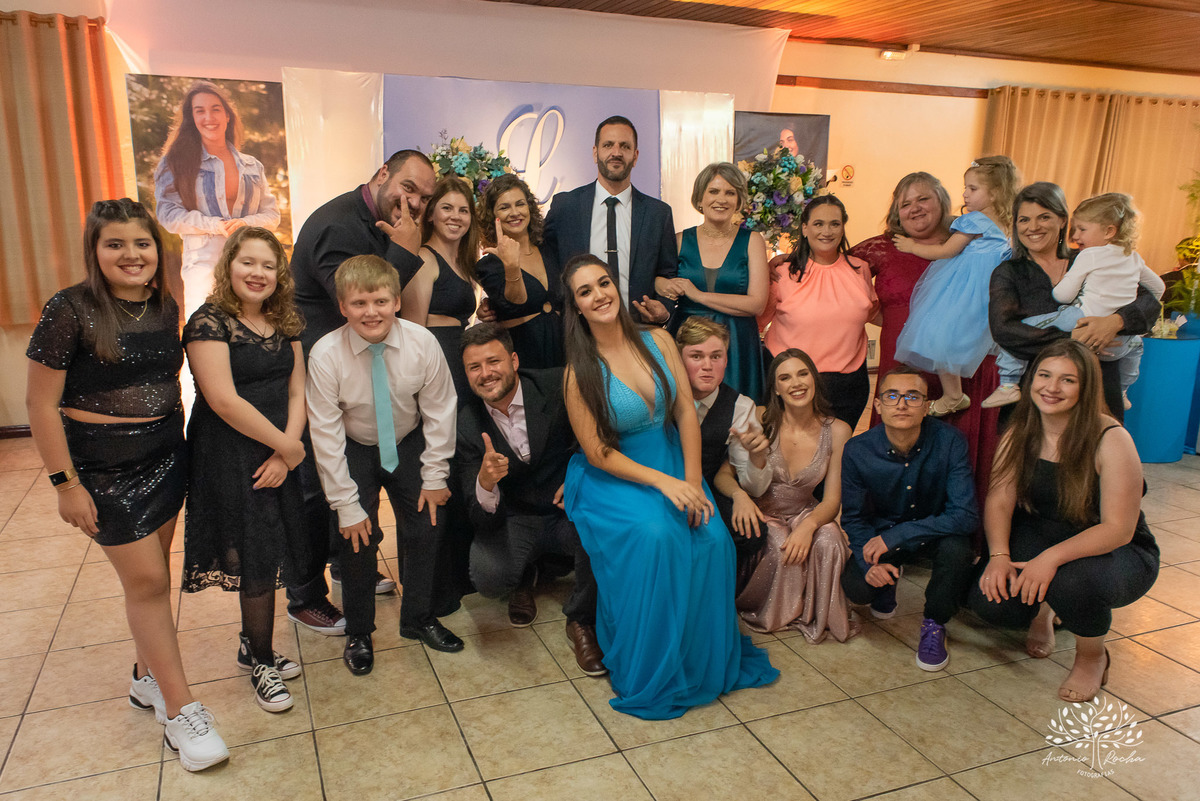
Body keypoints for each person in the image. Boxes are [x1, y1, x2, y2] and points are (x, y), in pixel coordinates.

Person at [25, 198, 228, 770]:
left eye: (141, 243)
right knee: (145, 584)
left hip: (166, 451)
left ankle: (146, 678)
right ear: (95, 250)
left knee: (153, 576)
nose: (130, 255)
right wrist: (66, 484)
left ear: (156, 250)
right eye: (114, 243)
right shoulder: (69, 309)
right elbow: (40, 405)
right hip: (103, 469)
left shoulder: (167, 305)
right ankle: (182, 710)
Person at [561, 253, 778, 720]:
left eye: (603, 283)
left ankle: (701, 659)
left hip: (674, 459)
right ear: (576, 306)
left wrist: (693, 481)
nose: (598, 295)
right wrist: (664, 484)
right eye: (585, 291)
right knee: (657, 538)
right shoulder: (578, 371)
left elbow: (684, 413)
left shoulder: (657, 340)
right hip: (616, 474)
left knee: (714, 539)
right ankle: (652, 663)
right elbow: (598, 451)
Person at [285, 149, 437, 635]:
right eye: (408, 188)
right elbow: (353, 297)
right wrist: (408, 250)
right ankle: (305, 594)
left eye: (423, 197)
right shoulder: (339, 224)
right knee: (315, 487)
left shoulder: (376, 221)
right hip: (320, 369)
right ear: (381, 174)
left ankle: (349, 564)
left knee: (347, 494)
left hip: (360, 368)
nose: (414, 202)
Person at [971, 340, 1159, 702]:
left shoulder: (1111, 438)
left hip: (1114, 548)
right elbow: (1000, 498)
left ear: (1086, 388)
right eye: (1044, 375)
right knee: (991, 603)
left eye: (1067, 380)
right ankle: (1044, 610)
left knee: (1071, 583)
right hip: (1043, 531)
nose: (1051, 388)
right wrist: (997, 556)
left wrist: (1049, 560)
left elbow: (1118, 528)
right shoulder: (1021, 430)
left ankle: (1092, 655)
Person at [306, 255, 461, 675]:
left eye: (379, 301)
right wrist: (345, 503)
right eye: (358, 303)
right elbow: (324, 433)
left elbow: (441, 411)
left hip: (407, 440)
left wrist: (434, 476)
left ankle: (419, 617)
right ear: (342, 307)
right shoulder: (325, 355)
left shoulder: (422, 344)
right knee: (356, 538)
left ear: (395, 301)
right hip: (354, 445)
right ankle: (359, 631)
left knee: (428, 523)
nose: (370, 312)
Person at [181, 227, 308, 714]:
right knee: (254, 551)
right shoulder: (208, 322)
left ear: (280, 275)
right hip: (231, 455)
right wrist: (285, 448)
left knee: (273, 545)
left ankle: (252, 644)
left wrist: (288, 449)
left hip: (280, 450)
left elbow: (298, 392)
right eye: (247, 262)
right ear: (228, 266)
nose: (258, 273)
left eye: (268, 265)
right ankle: (260, 658)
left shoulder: (286, 322)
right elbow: (223, 401)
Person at [849, 172, 1001, 515]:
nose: (914, 208)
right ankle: (890, 528)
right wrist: (784, 260)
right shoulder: (884, 246)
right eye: (905, 204)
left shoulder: (969, 239)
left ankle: (952, 534)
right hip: (900, 367)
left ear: (942, 202)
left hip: (959, 368)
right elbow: (831, 265)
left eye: (923, 199)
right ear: (896, 212)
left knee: (955, 455)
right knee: (895, 452)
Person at [456, 323, 603, 676]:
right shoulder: (465, 422)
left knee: (602, 534)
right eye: (474, 367)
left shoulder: (556, 385)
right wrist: (485, 481)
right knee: (488, 577)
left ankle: (581, 621)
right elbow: (477, 513)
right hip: (516, 518)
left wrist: (579, 474)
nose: (486, 374)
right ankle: (527, 572)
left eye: (493, 361)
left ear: (515, 360)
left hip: (564, 511)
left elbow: (597, 433)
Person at [840, 366, 980, 671]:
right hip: (882, 535)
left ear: (927, 406)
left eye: (912, 396)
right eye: (892, 396)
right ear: (877, 405)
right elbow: (853, 518)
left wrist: (899, 535)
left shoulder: (950, 442)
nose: (901, 404)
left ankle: (935, 623)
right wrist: (868, 564)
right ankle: (888, 579)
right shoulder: (857, 450)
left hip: (934, 532)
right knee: (858, 589)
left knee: (958, 549)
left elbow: (966, 515)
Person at [988, 182, 1161, 423]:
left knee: (1095, 457)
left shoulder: (1092, 256)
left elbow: (1150, 302)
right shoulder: (1009, 272)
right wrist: (1074, 339)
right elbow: (1004, 330)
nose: (1033, 227)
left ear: (1062, 220)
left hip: (1099, 388)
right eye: (1024, 220)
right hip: (1037, 396)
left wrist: (1114, 322)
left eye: (1044, 217)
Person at [735, 349, 858, 642]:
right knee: (779, 543)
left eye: (803, 374)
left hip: (806, 509)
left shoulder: (838, 430)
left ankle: (818, 613)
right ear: (776, 388)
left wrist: (808, 526)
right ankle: (774, 610)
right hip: (762, 510)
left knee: (830, 539)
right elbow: (728, 471)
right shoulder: (760, 417)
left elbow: (831, 500)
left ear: (814, 380)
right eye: (785, 377)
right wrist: (741, 498)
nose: (796, 383)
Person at [894, 156, 1020, 416]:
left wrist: (912, 246)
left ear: (995, 193)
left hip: (970, 290)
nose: (964, 194)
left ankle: (954, 394)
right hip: (981, 290)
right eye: (966, 188)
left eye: (973, 189)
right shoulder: (1000, 225)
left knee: (943, 336)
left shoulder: (980, 222)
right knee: (949, 338)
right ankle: (955, 394)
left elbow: (946, 251)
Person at [154, 80, 280, 321]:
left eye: (215, 108)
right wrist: (214, 224)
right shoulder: (175, 163)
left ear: (228, 115)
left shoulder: (252, 165)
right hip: (204, 264)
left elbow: (272, 215)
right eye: (199, 111)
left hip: (250, 262)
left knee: (251, 331)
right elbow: (168, 215)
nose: (208, 117)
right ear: (191, 118)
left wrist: (245, 224)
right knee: (205, 332)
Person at [543, 115, 677, 325]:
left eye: (624, 146)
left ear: (635, 155)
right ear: (595, 153)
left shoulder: (658, 213)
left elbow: (668, 273)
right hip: (578, 332)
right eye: (608, 145)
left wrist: (664, 310)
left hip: (639, 330)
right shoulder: (565, 206)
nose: (616, 153)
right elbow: (546, 263)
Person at [760, 195, 880, 429]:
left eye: (834, 224)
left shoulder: (861, 270)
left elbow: (874, 313)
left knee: (837, 458)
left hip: (847, 386)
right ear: (804, 228)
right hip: (790, 384)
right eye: (818, 224)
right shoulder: (782, 273)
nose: (827, 231)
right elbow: (755, 322)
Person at [674, 316, 770, 589]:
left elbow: (756, 486)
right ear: (680, 359)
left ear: (727, 360)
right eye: (696, 356)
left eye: (716, 356)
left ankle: (717, 591)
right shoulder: (662, 397)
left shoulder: (740, 407)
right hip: (662, 485)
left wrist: (757, 457)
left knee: (751, 531)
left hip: (708, 487)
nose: (707, 366)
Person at [662, 163, 768, 401]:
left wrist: (696, 294)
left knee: (737, 421)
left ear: (739, 201)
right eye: (714, 191)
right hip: (689, 341)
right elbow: (658, 281)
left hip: (737, 343)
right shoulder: (679, 240)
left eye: (730, 193)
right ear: (699, 197)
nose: (722, 199)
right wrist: (666, 286)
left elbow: (757, 304)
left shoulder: (752, 241)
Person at [401, 175, 480, 400]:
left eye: (463, 210)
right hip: (436, 362)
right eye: (447, 208)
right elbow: (412, 333)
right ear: (431, 215)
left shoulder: (464, 264)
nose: (455, 216)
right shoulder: (424, 259)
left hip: (461, 358)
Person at [475, 174, 564, 368]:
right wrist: (511, 266)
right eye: (504, 207)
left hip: (566, 353)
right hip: (524, 360)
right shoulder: (489, 265)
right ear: (493, 216)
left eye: (520, 204)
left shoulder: (550, 250)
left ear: (530, 208)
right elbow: (516, 302)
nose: (515, 212)